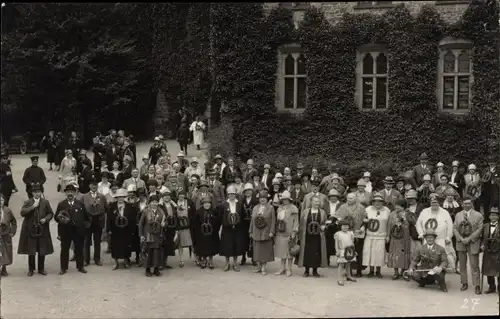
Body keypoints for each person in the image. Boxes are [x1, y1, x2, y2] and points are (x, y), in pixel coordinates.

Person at [17, 183, 54, 276]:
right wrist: (33, 207)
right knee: (31, 249)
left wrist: (45, 219)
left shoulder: (45, 202)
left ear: (41, 192)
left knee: (42, 249)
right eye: (35, 192)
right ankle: (31, 269)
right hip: (30, 229)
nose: (37, 194)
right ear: (32, 193)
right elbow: (22, 212)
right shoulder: (28, 202)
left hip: (42, 229)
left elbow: (50, 213)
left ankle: (41, 268)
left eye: (39, 192)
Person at [55, 184, 90, 275]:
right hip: (65, 231)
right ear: (65, 193)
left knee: (79, 249)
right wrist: (61, 219)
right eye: (68, 192)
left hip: (78, 231)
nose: (70, 194)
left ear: (75, 193)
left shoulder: (80, 204)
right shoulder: (61, 204)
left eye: (72, 192)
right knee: (64, 249)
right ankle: (63, 268)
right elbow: (56, 218)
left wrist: (84, 227)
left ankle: (80, 266)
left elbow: (87, 217)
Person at [453, 198, 483, 294]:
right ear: (462, 204)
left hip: (473, 242)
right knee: (462, 264)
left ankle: (477, 285)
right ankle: (464, 283)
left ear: (472, 204)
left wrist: (469, 238)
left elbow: (480, 229)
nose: (467, 205)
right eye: (465, 203)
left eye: (469, 203)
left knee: (474, 264)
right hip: (461, 242)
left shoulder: (478, 215)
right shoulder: (458, 215)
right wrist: (461, 239)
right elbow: (454, 228)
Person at [297, 196, 328, 277]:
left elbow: (325, 222)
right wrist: (299, 235)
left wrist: (324, 226)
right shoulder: (305, 212)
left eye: (318, 201)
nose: (317, 203)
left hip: (318, 237)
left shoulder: (323, 212)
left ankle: (315, 271)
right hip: (307, 236)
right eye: (315, 201)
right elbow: (301, 224)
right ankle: (306, 270)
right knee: (307, 253)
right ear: (311, 202)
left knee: (317, 253)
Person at [107, 188, 136, 270]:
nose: (120, 199)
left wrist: (132, 230)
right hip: (115, 230)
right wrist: (108, 229)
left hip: (126, 230)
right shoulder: (112, 206)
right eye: (119, 197)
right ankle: (115, 262)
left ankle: (126, 261)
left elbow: (133, 219)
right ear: (116, 197)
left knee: (126, 245)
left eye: (122, 197)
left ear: (124, 197)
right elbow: (108, 218)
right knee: (115, 245)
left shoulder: (129, 206)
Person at [362, 193, 391, 278]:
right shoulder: (368, 209)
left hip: (381, 235)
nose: (377, 203)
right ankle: (371, 271)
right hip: (370, 235)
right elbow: (363, 221)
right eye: (375, 201)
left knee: (379, 253)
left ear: (382, 202)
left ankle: (378, 271)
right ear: (373, 202)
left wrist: (388, 235)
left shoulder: (387, 210)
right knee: (370, 253)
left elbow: (388, 224)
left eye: (380, 201)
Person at [387, 199, 415, 280]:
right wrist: (388, 235)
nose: (396, 207)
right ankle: (395, 272)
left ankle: (403, 272)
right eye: (396, 206)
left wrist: (407, 215)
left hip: (405, 236)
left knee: (404, 254)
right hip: (395, 236)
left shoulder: (407, 213)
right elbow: (389, 224)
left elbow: (413, 222)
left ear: (403, 207)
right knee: (395, 253)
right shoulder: (392, 214)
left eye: (398, 206)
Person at [219, 185, 245, 271]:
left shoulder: (239, 204)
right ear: (228, 195)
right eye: (230, 194)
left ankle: (235, 263)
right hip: (227, 229)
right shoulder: (223, 205)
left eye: (233, 194)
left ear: (235, 195)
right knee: (227, 246)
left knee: (235, 246)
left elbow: (243, 216)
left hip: (237, 229)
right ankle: (227, 263)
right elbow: (220, 216)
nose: (232, 196)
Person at [249, 190, 276, 275]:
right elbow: (252, 221)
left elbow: (273, 221)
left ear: (267, 198)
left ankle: (264, 267)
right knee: (257, 250)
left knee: (265, 250)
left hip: (266, 232)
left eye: (264, 198)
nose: (262, 199)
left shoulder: (271, 208)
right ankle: (258, 266)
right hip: (256, 232)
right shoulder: (255, 208)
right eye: (261, 198)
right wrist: (251, 231)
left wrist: (272, 231)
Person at [81, 179, 107, 266]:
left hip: (98, 220)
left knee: (97, 241)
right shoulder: (84, 196)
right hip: (88, 220)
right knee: (86, 241)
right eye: (92, 185)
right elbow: (81, 208)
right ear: (89, 186)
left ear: (97, 186)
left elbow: (106, 208)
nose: (94, 186)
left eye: (95, 185)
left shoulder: (102, 196)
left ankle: (97, 259)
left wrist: (101, 214)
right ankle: (86, 260)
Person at [139, 195, 165, 277]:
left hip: (158, 235)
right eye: (153, 202)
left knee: (157, 253)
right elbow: (140, 224)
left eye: (156, 202)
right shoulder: (145, 211)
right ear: (150, 203)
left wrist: (164, 224)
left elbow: (164, 221)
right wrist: (141, 235)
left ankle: (156, 269)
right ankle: (147, 270)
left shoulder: (161, 211)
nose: (154, 203)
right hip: (148, 235)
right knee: (148, 252)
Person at [274, 191, 299, 277]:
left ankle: (289, 269)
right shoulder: (280, 208)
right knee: (282, 251)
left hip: (290, 232)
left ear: (289, 199)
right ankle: (282, 268)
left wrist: (294, 231)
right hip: (281, 232)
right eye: (283, 199)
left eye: (286, 199)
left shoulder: (293, 208)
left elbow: (296, 221)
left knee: (289, 252)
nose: (285, 201)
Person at [193, 196, 220, 269]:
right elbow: (195, 223)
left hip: (211, 233)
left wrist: (215, 229)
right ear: (202, 204)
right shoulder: (199, 211)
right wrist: (198, 231)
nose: (207, 205)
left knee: (211, 247)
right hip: (202, 233)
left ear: (211, 204)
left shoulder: (214, 211)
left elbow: (217, 221)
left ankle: (210, 261)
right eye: (205, 203)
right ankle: (204, 261)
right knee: (203, 247)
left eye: (208, 203)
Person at [480, 206, 499, 294]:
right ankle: (491, 287)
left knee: (498, 270)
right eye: (492, 215)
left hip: (498, 251)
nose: (493, 217)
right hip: (488, 250)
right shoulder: (485, 226)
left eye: (495, 215)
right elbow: (481, 237)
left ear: (498, 216)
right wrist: (482, 245)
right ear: (489, 216)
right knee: (488, 268)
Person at [335, 219, 357, 286]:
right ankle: (339, 278)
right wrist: (337, 251)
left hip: (350, 251)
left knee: (348, 263)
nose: (345, 227)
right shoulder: (338, 234)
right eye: (344, 226)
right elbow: (336, 244)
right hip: (342, 250)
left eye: (347, 226)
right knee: (341, 264)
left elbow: (352, 242)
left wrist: (354, 251)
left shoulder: (350, 233)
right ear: (340, 227)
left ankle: (349, 276)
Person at [240, 183, 258, 266]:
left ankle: (253, 258)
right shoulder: (242, 201)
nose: (248, 192)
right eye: (246, 191)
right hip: (244, 222)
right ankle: (243, 257)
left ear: (252, 191)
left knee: (253, 240)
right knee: (244, 239)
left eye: (249, 190)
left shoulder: (256, 201)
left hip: (252, 222)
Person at [160, 189, 178, 269]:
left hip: (172, 227)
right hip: (163, 228)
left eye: (168, 196)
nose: (167, 197)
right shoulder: (160, 206)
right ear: (163, 197)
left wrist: (176, 227)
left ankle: (165, 262)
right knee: (162, 245)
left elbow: (176, 216)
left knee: (168, 245)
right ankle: (160, 263)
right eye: (165, 196)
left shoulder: (173, 205)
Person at [0, 193, 17, 276]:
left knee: (6, 252)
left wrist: (12, 232)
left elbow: (13, 222)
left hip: (6, 234)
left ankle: (4, 269)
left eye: (2, 200)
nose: (0, 202)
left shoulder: (7, 210)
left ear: (4, 201)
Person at [324, 189, 343, 266]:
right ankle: (327, 261)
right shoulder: (325, 204)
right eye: (331, 197)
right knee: (328, 243)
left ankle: (339, 261)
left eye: (335, 196)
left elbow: (343, 214)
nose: (333, 198)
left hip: (337, 225)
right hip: (328, 225)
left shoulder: (341, 205)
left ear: (337, 197)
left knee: (338, 243)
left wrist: (337, 218)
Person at [176, 192, 194, 268]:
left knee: (192, 243)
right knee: (180, 244)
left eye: (183, 196)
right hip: (179, 226)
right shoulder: (174, 203)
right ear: (178, 196)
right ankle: (181, 260)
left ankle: (196, 258)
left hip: (188, 225)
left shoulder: (189, 202)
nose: (181, 197)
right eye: (180, 196)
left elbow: (193, 212)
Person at [482, 155, 499, 222]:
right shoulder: (485, 170)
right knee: (486, 206)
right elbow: (483, 179)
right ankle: (486, 222)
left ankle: (496, 222)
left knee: (495, 206)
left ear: (495, 162)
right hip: (486, 191)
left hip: (495, 191)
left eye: (493, 162)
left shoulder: (498, 169)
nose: (491, 163)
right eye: (490, 162)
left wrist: (495, 179)